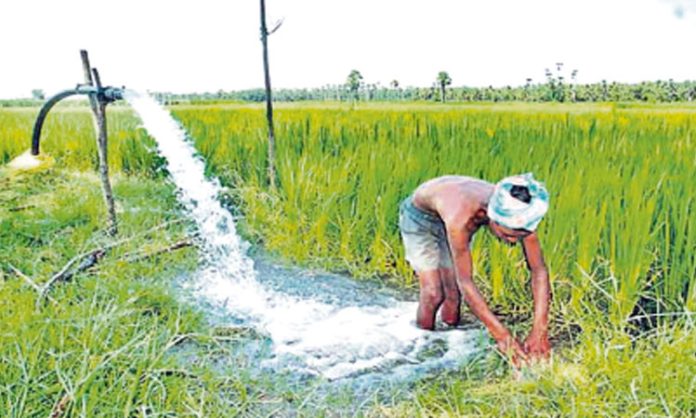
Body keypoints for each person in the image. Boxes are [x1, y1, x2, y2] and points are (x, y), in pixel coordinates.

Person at [398, 173, 551, 364]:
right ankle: (421, 350)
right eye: (508, 235)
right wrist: (503, 338)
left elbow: (539, 270)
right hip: (421, 217)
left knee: (453, 296)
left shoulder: (522, 215)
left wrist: (540, 331)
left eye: (520, 236)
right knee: (434, 293)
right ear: (492, 218)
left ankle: (449, 345)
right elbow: (466, 281)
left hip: (448, 207)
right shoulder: (461, 219)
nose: (514, 241)